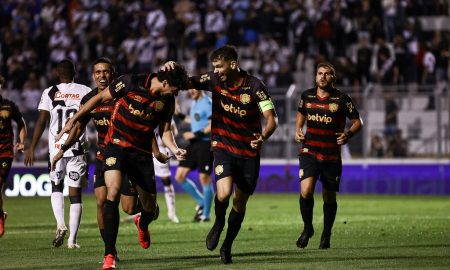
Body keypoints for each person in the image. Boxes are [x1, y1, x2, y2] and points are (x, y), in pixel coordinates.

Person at [56, 63, 189, 270]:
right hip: (115, 146)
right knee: (112, 193)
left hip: (141, 154)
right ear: (165, 83)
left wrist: (174, 148)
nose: (177, 92)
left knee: (148, 208)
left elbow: (164, 131)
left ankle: (143, 223)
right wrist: (72, 120)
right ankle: (109, 255)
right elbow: (98, 98)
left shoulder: (167, 100)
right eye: (175, 88)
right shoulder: (130, 82)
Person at [164, 44, 278, 264]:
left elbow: (272, 119)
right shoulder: (214, 80)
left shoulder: (255, 86)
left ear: (233, 64)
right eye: (214, 67)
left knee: (239, 203)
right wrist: (172, 68)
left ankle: (227, 245)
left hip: (249, 152)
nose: (215, 71)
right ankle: (217, 223)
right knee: (223, 193)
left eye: (219, 66)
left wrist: (263, 137)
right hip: (223, 146)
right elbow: (186, 81)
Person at [50, 58, 144, 257]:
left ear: (114, 74)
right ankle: (110, 250)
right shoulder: (90, 100)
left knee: (128, 208)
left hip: (128, 156)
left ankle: (145, 212)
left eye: (106, 72)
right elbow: (78, 128)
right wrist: (62, 149)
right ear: (93, 76)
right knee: (102, 202)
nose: (102, 76)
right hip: (104, 156)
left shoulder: (125, 95)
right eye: (98, 72)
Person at [294, 62, 363, 250]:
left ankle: (326, 234)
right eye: (320, 73)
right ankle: (308, 229)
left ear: (333, 78)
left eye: (327, 74)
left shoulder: (342, 99)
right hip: (309, 151)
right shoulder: (306, 96)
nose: (323, 76)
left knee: (328, 197)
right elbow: (301, 113)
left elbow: (358, 121)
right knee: (306, 191)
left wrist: (348, 134)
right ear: (315, 77)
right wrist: (298, 129)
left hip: (331, 156)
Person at [24, 59, 91, 249]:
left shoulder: (50, 92)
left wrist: (32, 146)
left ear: (56, 73)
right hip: (76, 146)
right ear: (75, 72)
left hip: (56, 149)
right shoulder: (85, 91)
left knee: (56, 187)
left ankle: (60, 224)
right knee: (75, 194)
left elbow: (41, 121)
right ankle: (72, 241)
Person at [174, 88, 213, 222]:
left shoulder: (207, 103)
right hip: (194, 144)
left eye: (194, 89)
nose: (191, 92)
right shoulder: (195, 103)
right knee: (179, 176)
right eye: (189, 90)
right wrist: (179, 114)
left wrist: (195, 134)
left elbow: (212, 124)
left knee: (204, 179)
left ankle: (206, 215)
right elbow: (195, 120)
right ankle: (202, 201)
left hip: (205, 144)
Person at [0, 74, 27, 237]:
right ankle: (1, 214)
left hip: (5, 151)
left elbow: (21, 124)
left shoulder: (8, 106)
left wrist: (21, 141)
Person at [153, 120, 179, 224]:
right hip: (144, 151)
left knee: (166, 181)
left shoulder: (167, 117)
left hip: (160, 151)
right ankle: (140, 212)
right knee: (142, 181)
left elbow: (172, 133)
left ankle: (172, 213)